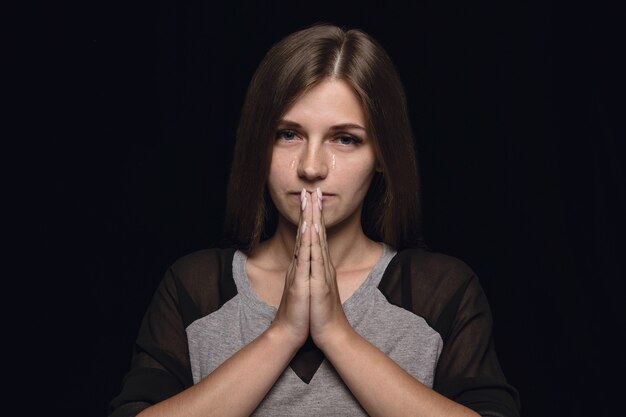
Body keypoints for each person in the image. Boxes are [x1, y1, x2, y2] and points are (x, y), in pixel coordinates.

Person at [108, 23, 520, 417]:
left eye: (345, 139)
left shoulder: (439, 290)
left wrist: (336, 334)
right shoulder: (194, 287)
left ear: (381, 156)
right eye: (288, 134)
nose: (311, 167)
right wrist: (282, 333)